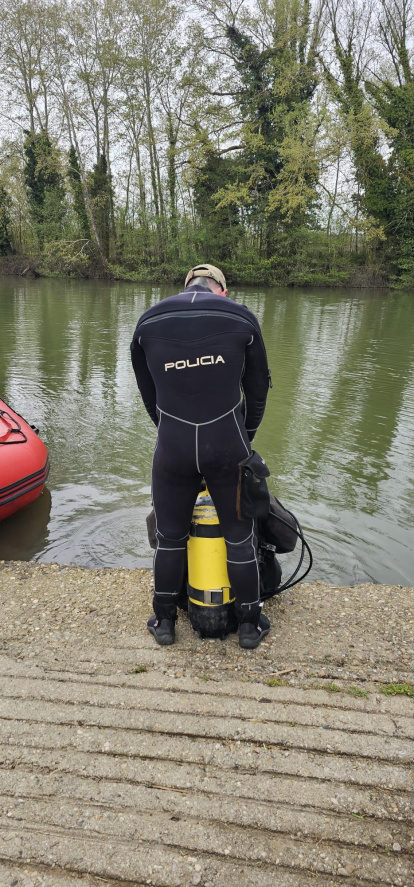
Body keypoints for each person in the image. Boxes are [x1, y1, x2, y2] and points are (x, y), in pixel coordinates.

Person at [130, 264, 272, 649]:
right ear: (221, 290)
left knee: (170, 537)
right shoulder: (241, 316)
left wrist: (171, 434)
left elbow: (150, 396)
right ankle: (249, 626)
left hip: (172, 446)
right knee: (240, 540)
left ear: (186, 286)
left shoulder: (148, 320)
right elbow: (258, 391)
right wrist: (243, 437)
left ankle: (164, 622)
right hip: (228, 444)